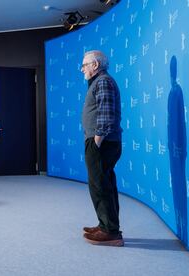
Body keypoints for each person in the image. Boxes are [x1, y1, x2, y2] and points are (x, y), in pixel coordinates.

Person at [80, 50, 123, 246]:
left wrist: (96, 141)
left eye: (85, 65)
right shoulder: (99, 82)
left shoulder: (103, 81)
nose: (82, 69)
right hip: (103, 142)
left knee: (100, 186)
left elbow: (106, 116)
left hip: (102, 143)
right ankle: (106, 225)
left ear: (95, 65)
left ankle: (110, 232)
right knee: (103, 184)